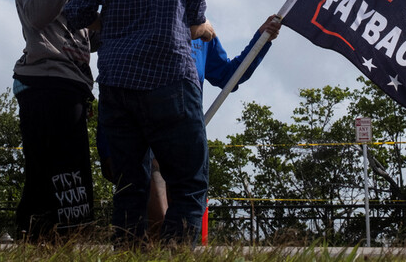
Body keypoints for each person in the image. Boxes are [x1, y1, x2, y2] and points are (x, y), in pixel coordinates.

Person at [63, 0, 213, 247]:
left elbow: (76, 13)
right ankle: (175, 255)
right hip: (170, 78)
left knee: (130, 186)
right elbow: (193, 18)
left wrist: (115, 23)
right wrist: (204, 28)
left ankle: (128, 253)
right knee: (189, 183)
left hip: (117, 81)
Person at [96, 15, 282, 233]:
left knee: (181, 217)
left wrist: (261, 40)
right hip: (134, 134)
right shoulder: (138, 8)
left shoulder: (204, 31)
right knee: (154, 220)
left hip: (179, 139)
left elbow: (228, 76)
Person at [12, 0, 107, 241]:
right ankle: (49, 238)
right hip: (48, 81)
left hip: (69, 82)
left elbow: (77, 33)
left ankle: (41, 237)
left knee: (59, 173)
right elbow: (38, 13)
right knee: (60, 173)